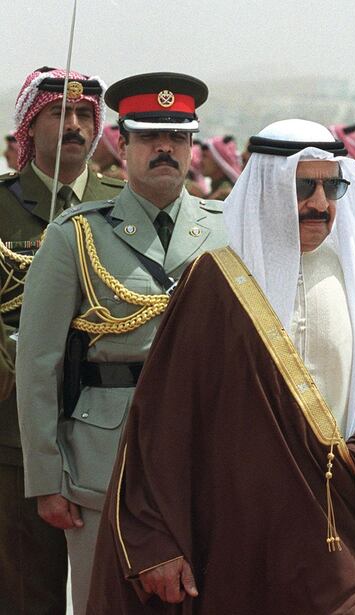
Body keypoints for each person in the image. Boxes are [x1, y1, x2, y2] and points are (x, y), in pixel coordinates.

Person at [86, 119, 355, 614]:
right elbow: (162, 424)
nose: (319, 204)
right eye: (302, 186)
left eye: (331, 186)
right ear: (268, 189)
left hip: (339, 539)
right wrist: (157, 542)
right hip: (232, 544)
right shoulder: (215, 284)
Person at [15, 71, 228, 615]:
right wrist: (46, 478)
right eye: (150, 137)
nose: (165, 149)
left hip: (204, 455)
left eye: (178, 137)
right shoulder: (75, 234)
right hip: (101, 460)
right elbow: (38, 363)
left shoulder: (226, 232)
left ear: (191, 147)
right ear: (124, 145)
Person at [0, 65, 124, 614]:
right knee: (28, 593)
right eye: (58, 113)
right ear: (29, 123)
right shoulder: (4, 205)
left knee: (112, 594)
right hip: (17, 437)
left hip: (109, 435)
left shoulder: (126, 205)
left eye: (83, 115)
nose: (74, 125)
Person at [200, 135, 242, 200]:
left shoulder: (225, 194)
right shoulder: (216, 190)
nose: (201, 161)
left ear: (218, 160)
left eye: (205, 156)